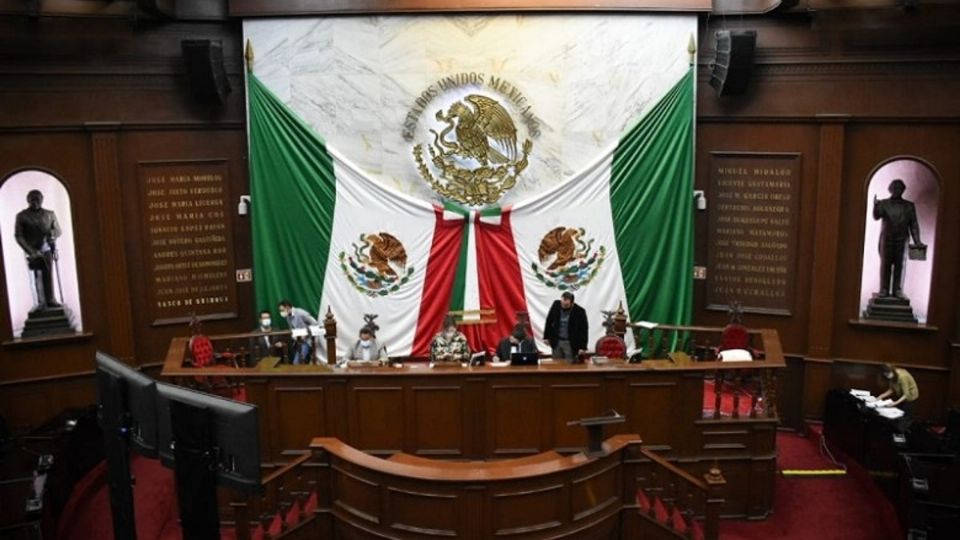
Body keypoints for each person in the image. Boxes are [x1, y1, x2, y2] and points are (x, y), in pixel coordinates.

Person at [873, 179, 925, 298]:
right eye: (895, 188)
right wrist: (876, 206)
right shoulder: (883, 203)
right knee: (885, 264)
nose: (897, 190)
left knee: (900, 265)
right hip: (887, 239)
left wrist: (917, 241)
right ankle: (884, 289)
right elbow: (876, 216)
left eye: (899, 188)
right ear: (890, 189)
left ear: (903, 190)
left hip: (902, 240)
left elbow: (914, 225)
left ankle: (897, 289)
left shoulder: (909, 206)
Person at [14, 189, 62, 312]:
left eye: (37, 199)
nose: (35, 202)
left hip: (46, 249)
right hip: (32, 252)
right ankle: (41, 302)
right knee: (37, 277)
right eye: (32, 199)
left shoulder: (50, 214)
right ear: (28, 200)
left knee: (48, 275)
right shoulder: (22, 216)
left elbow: (58, 230)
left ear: (42, 199)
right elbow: (18, 236)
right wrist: (30, 251)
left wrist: (53, 234)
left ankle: (51, 299)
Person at [543, 291, 588, 362]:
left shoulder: (580, 312)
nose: (563, 307)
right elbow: (549, 321)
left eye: (566, 305)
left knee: (569, 366)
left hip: (570, 342)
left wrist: (583, 347)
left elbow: (584, 330)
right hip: (557, 341)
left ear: (572, 303)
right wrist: (546, 337)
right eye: (562, 304)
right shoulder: (556, 305)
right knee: (556, 364)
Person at [278, 300, 319, 364]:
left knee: (296, 363)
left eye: (282, 310)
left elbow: (315, 324)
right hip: (297, 342)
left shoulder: (301, 313)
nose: (281, 312)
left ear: (288, 308)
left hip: (308, 341)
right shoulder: (288, 317)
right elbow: (292, 329)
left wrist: (306, 333)